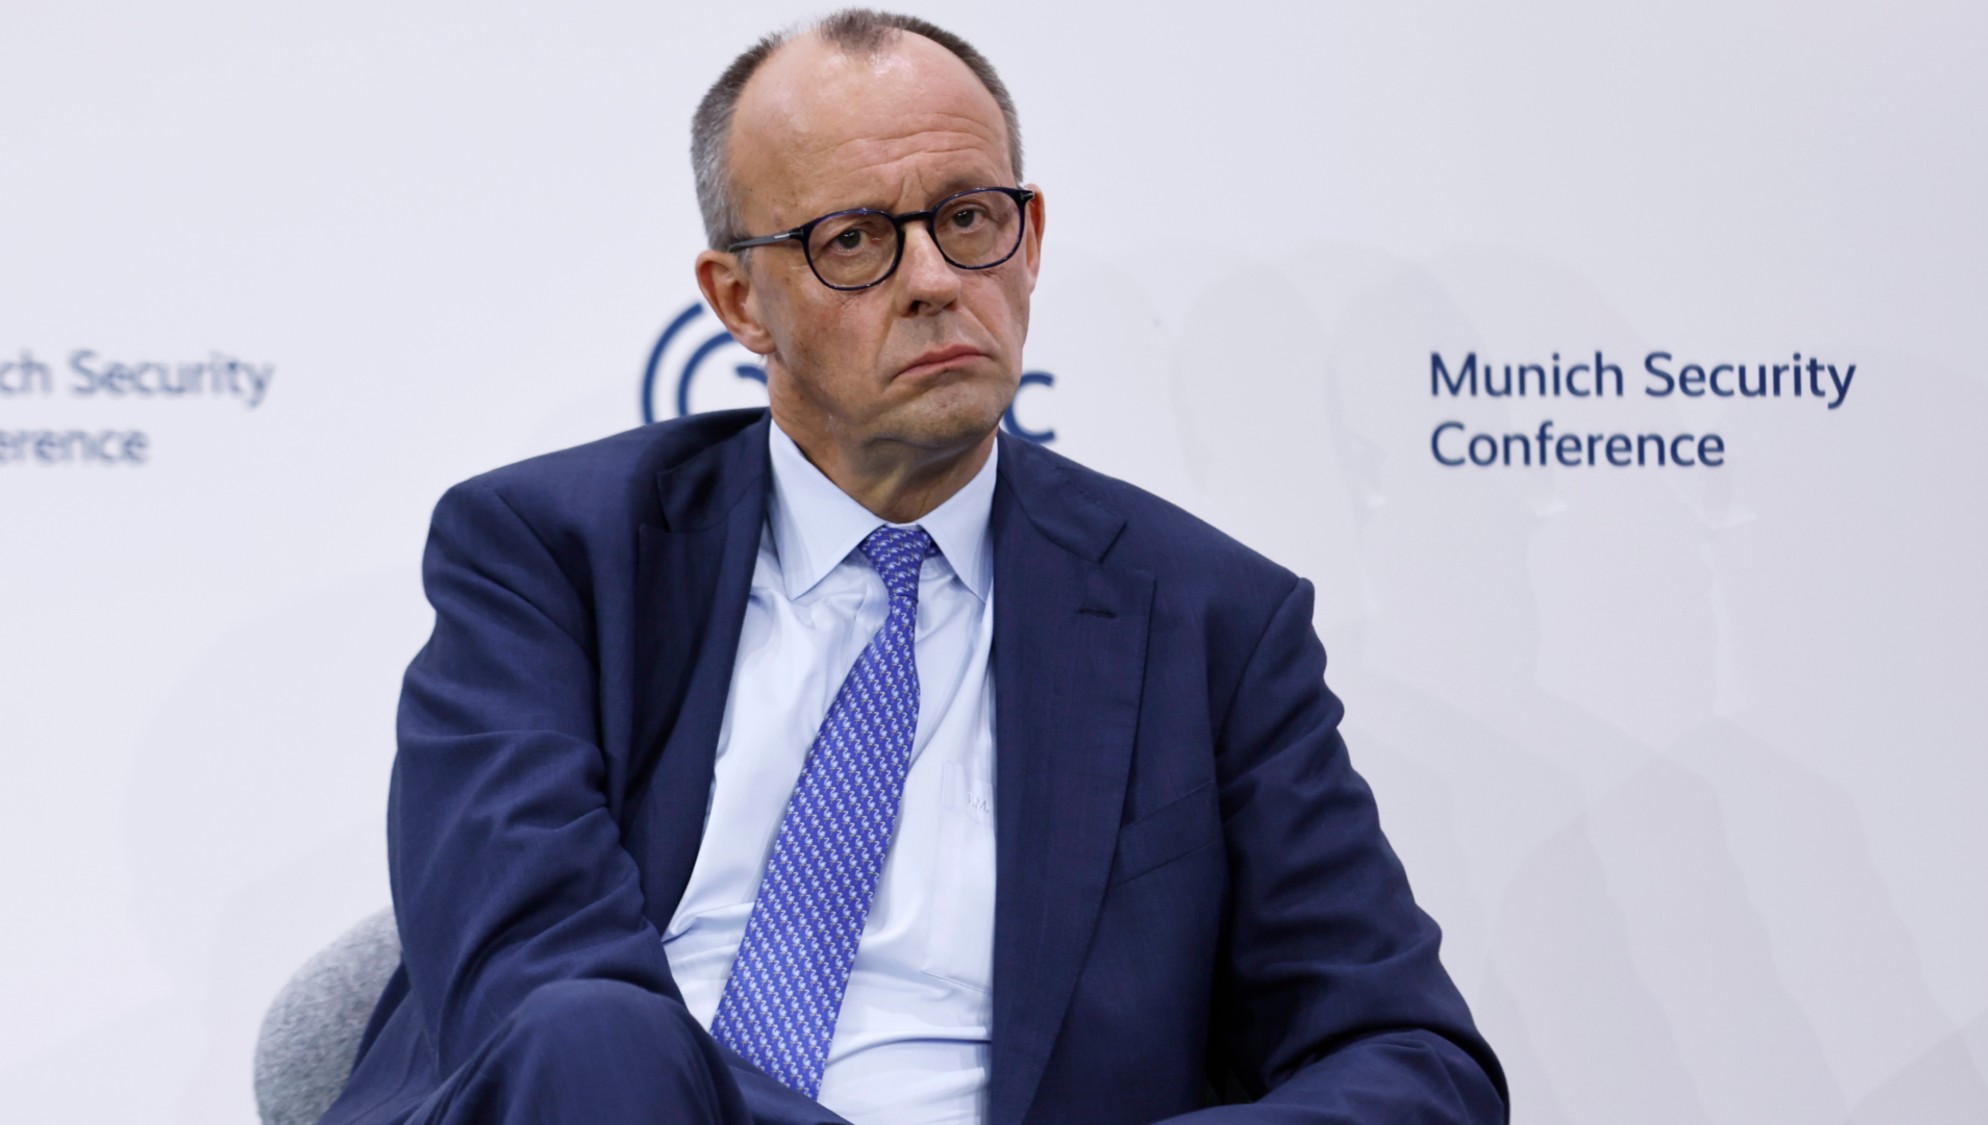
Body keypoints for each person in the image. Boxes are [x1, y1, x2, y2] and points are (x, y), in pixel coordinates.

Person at [322, 10, 1507, 1125]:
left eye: (969, 219)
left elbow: (1407, 1056)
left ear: (1029, 240)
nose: (935, 279)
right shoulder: (547, 553)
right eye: (854, 243)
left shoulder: (1209, 623)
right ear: (739, 301)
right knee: (593, 1039)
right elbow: (525, 981)